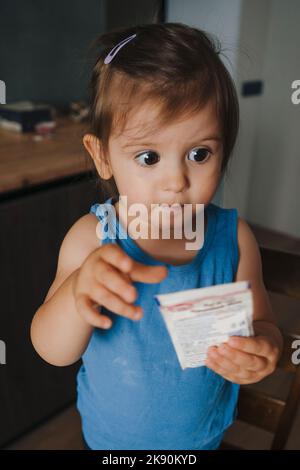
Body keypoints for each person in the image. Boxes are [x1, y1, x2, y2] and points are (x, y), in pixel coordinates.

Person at [30, 22, 283, 450]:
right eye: (148, 157)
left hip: (203, 441)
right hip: (112, 443)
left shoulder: (234, 239)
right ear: (103, 156)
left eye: (199, 154)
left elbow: (263, 324)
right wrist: (78, 291)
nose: (175, 181)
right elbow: (53, 351)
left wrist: (263, 348)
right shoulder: (92, 240)